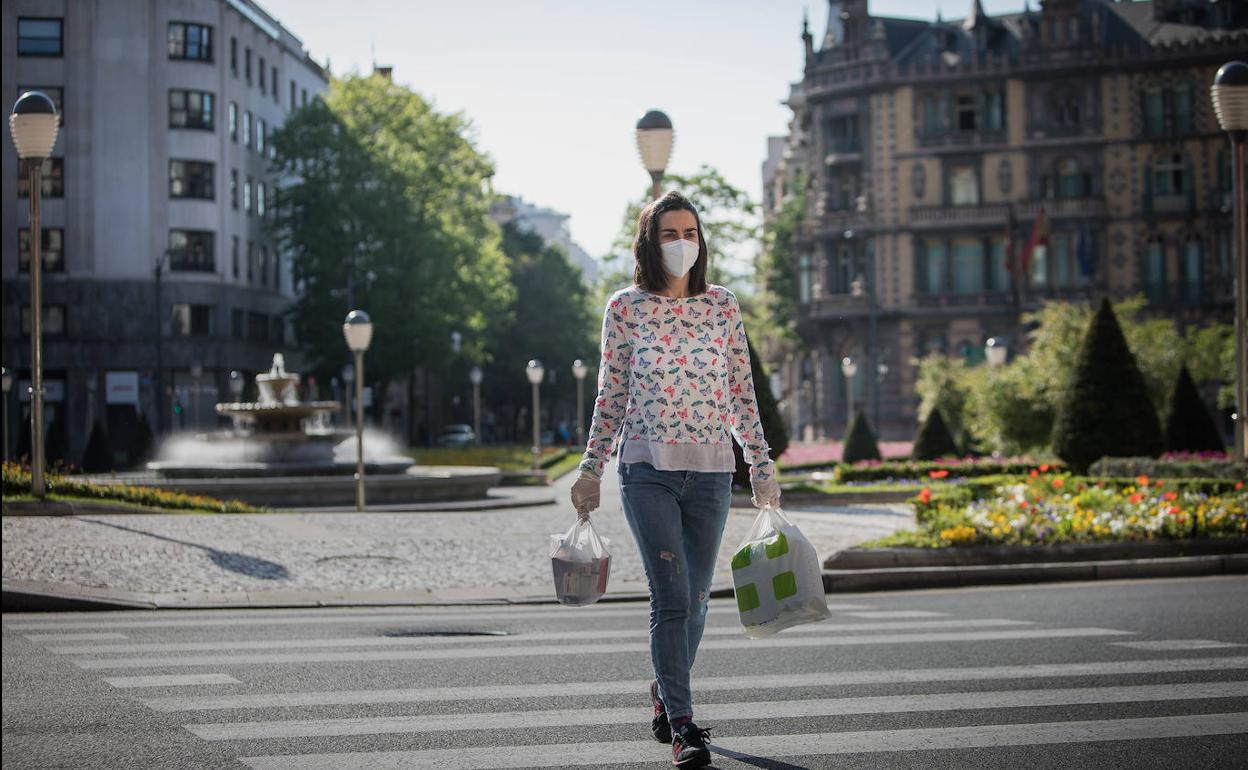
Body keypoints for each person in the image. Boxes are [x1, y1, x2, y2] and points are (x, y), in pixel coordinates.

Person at [571, 191, 780, 769]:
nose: (681, 242)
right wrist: (592, 467)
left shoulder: (723, 306)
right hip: (646, 469)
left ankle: (665, 694)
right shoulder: (625, 307)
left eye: (690, 232)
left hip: (713, 469)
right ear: (649, 241)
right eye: (669, 233)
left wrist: (760, 464)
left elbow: (741, 393)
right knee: (672, 596)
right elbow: (610, 395)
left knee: (697, 602)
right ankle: (686, 726)